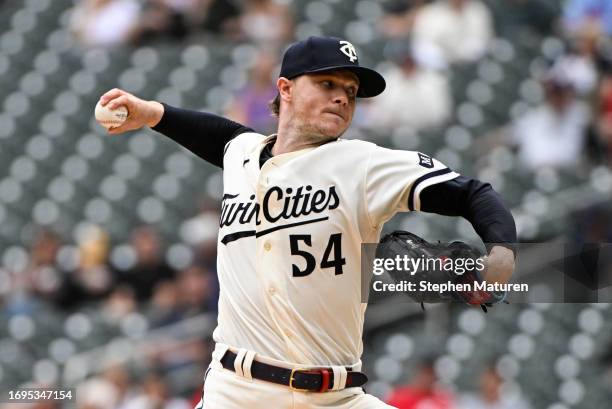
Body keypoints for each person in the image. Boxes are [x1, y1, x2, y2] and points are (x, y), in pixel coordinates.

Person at [97, 36, 516, 408]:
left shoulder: (362, 165)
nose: (342, 98)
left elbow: (473, 193)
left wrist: (501, 253)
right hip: (238, 392)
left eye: (350, 91)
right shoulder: (242, 154)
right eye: (327, 84)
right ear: (286, 88)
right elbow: (219, 136)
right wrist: (153, 113)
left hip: (338, 395)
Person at [386, 357, 455, 409]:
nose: (427, 379)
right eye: (425, 373)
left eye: (431, 374)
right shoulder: (399, 398)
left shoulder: (441, 400)